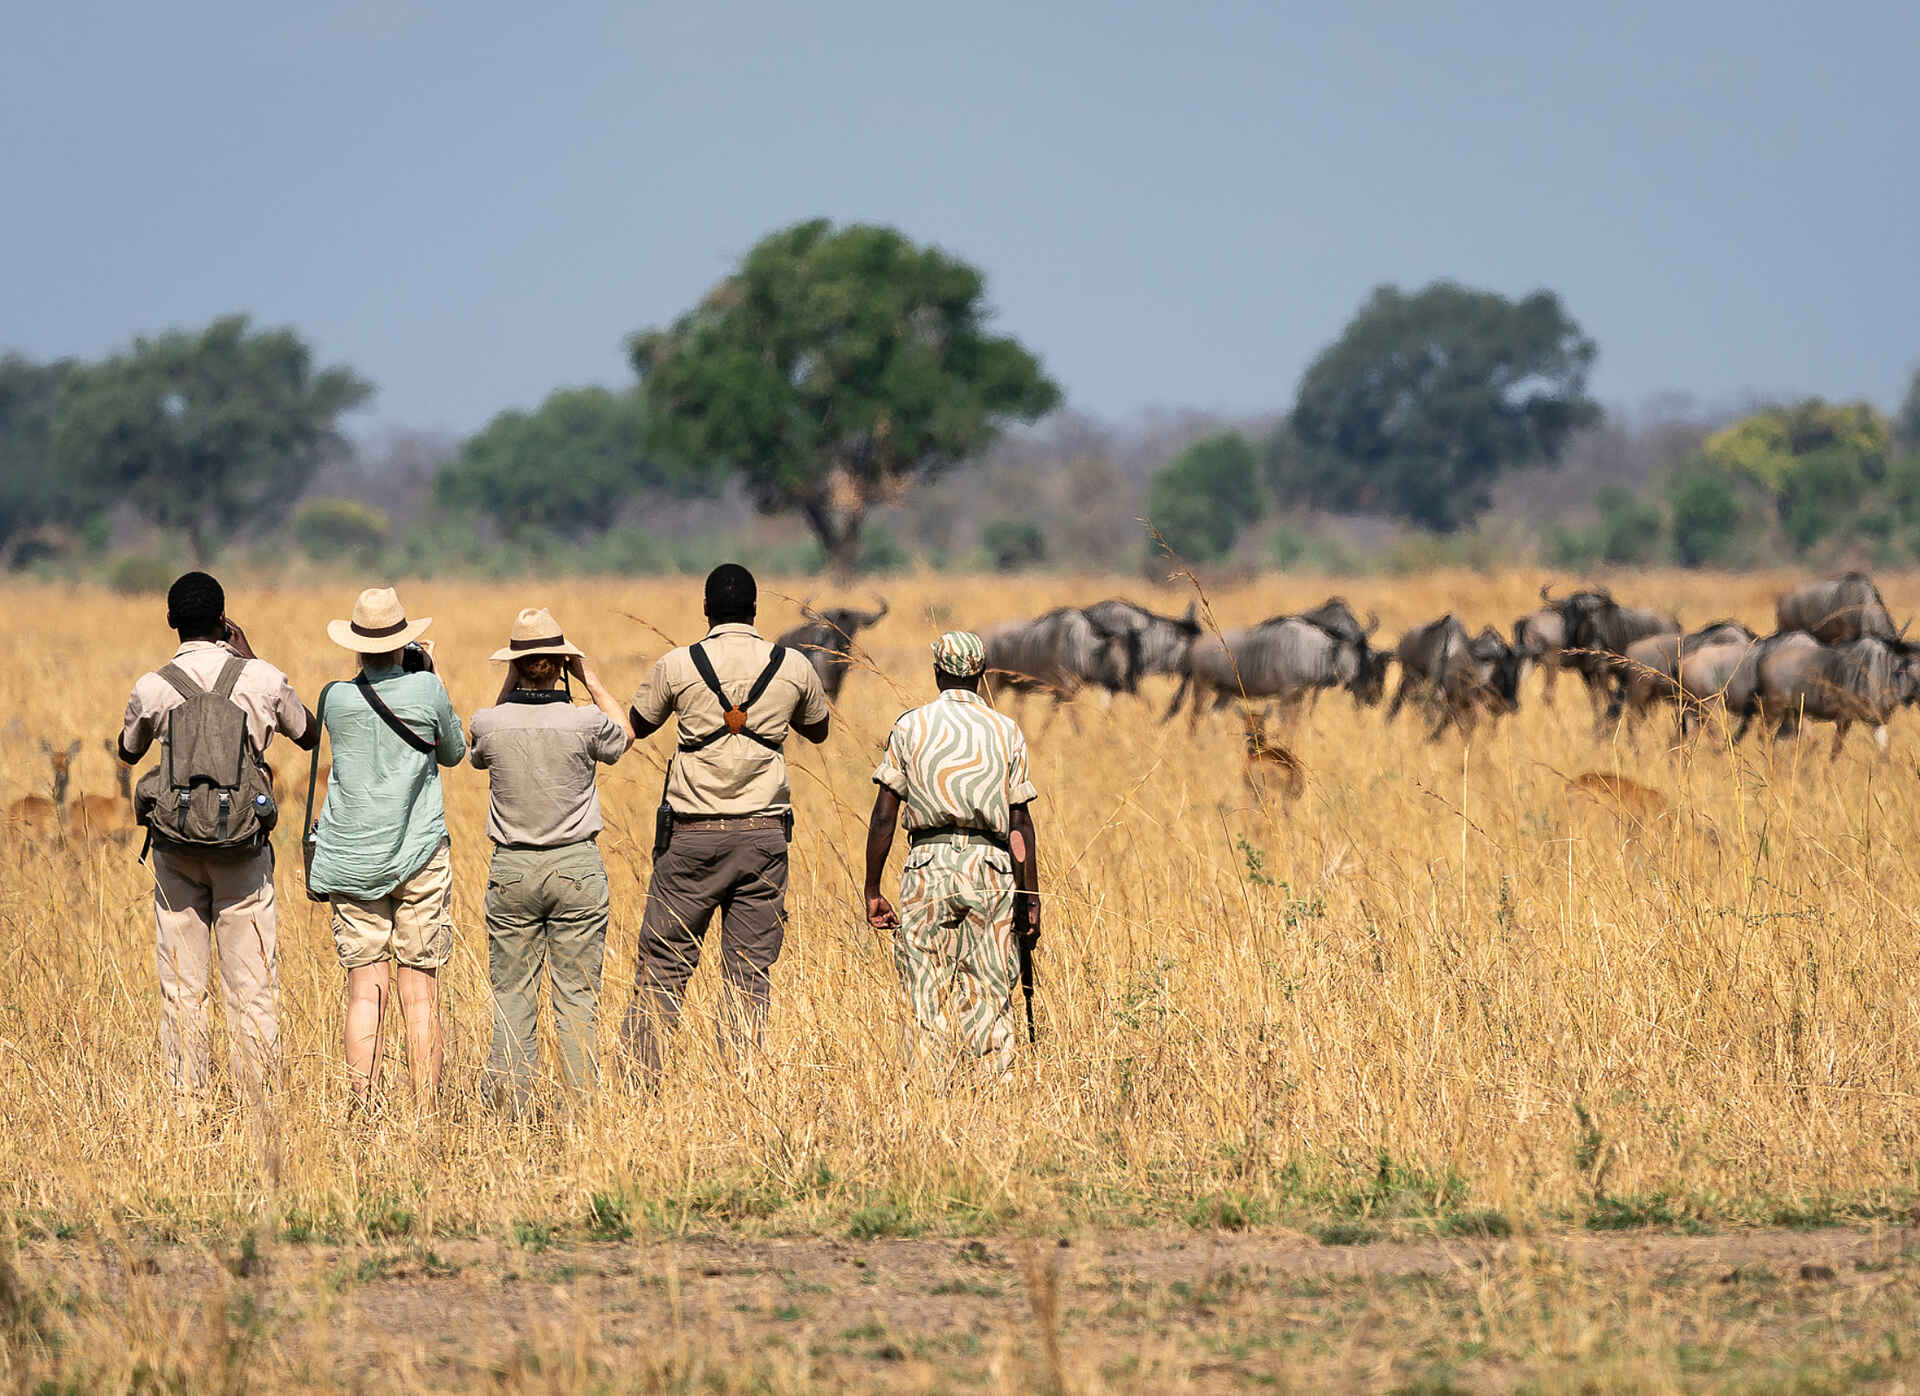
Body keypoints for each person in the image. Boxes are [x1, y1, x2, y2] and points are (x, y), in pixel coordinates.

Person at [119, 571, 318, 1114]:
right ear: (225, 620)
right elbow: (309, 734)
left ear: (171, 621)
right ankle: (261, 1108)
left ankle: (188, 1105)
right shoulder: (262, 676)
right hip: (244, 849)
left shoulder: (153, 685)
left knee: (183, 987)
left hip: (176, 850)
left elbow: (128, 751)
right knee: (252, 984)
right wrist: (251, 657)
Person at [620, 563, 830, 1078]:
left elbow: (639, 725)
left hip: (690, 836)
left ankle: (639, 1086)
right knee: (750, 974)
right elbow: (819, 730)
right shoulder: (793, 664)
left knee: (663, 968)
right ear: (756, 610)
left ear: (707, 610)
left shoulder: (678, 663)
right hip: (763, 835)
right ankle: (740, 1088)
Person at [468, 607, 632, 1114]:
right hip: (576, 868)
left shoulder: (490, 722)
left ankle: (513, 1112)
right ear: (561, 664)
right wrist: (590, 676)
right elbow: (624, 733)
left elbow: (478, 747)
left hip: (512, 869)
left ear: (515, 665)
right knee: (577, 1000)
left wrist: (510, 682)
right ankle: (581, 1110)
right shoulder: (585, 721)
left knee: (512, 996)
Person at [307, 587, 466, 1109]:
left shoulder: (334, 697)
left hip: (351, 858)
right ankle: (423, 1116)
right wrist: (432, 675)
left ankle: (364, 1111)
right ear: (404, 643)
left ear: (356, 645)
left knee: (364, 993)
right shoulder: (426, 690)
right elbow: (454, 752)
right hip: (419, 854)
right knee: (419, 995)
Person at [863, 632, 1041, 1078]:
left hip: (928, 868)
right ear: (981, 675)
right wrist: (1029, 896)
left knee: (926, 991)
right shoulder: (1007, 731)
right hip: (992, 869)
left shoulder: (909, 727)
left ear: (938, 672)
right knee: (991, 989)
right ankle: (995, 1095)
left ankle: (930, 1099)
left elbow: (885, 814)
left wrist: (872, 887)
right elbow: (1019, 823)